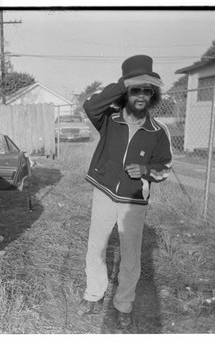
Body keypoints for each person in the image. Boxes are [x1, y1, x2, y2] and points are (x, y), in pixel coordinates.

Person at [78, 55, 173, 329]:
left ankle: (123, 304)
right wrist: (123, 82)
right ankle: (94, 294)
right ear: (126, 92)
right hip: (105, 193)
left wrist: (144, 170)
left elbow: (164, 168)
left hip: (134, 202)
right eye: (136, 89)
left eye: (147, 90)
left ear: (153, 95)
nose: (142, 95)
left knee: (130, 255)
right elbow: (90, 104)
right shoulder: (109, 119)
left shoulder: (158, 131)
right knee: (96, 247)